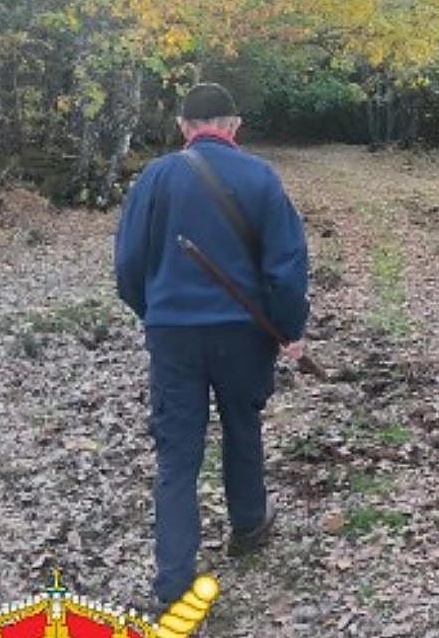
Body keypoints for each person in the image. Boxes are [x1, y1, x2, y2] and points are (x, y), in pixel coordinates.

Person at [114, 83, 309, 604]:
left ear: (183, 127)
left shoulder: (153, 179)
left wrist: (155, 313)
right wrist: (288, 327)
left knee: (178, 455)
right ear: (233, 126)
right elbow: (287, 269)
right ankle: (248, 525)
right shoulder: (261, 178)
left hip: (173, 335)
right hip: (243, 334)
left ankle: (174, 583)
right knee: (243, 428)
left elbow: (128, 268)